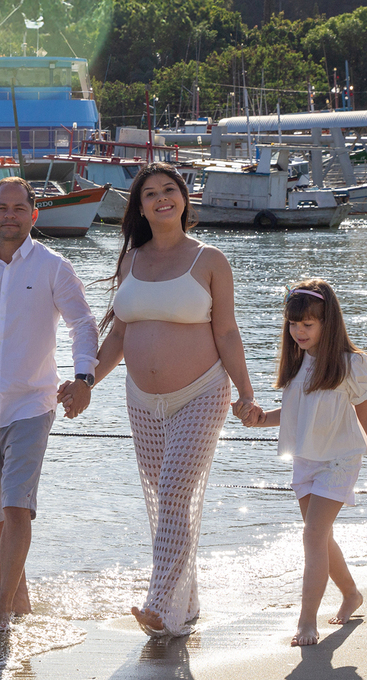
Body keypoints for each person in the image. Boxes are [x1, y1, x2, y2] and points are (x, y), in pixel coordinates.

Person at [87, 162, 256, 638]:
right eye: (150, 194)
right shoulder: (130, 260)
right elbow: (118, 336)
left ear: (183, 198)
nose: (161, 198)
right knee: (167, 502)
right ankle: (188, 601)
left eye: (169, 189)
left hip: (202, 392)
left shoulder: (209, 260)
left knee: (175, 491)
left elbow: (227, 332)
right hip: (142, 401)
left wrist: (246, 392)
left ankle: (160, 604)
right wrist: (85, 382)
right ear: (139, 208)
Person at [0, 176, 99, 630]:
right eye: (2, 208)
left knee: (15, 506)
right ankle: (20, 595)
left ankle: (2, 608)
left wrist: (84, 377)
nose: (10, 215)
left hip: (32, 403)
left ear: (34, 214)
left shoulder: (53, 267)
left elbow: (82, 324)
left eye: (19, 208)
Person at [237, 278, 367, 646]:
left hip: (340, 460)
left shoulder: (349, 363)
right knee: (321, 536)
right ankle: (351, 594)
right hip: (306, 460)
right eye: (293, 323)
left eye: (308, 324)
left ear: (327, 323)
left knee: (312, 535)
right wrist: (258, 419)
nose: (299, 331)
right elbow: (295, 414)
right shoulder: (298, 362)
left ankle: (306, 621)